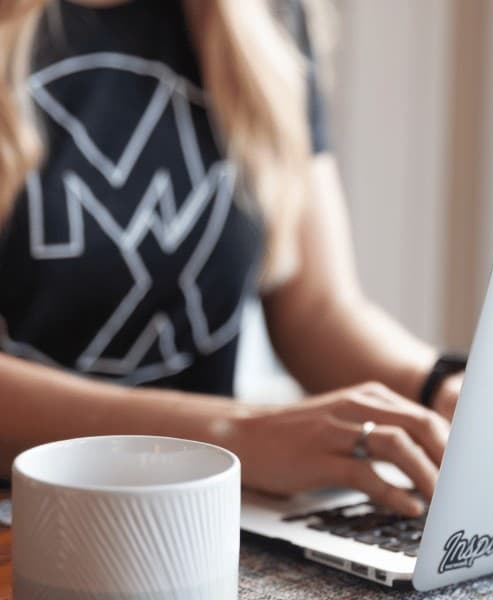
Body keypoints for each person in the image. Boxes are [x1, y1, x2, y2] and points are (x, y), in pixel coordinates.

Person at [0, 0, 464, 518]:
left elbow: (316, 311)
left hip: (201, 520)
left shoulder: (269, 16)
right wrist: (232, 433)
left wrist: (438, 389)